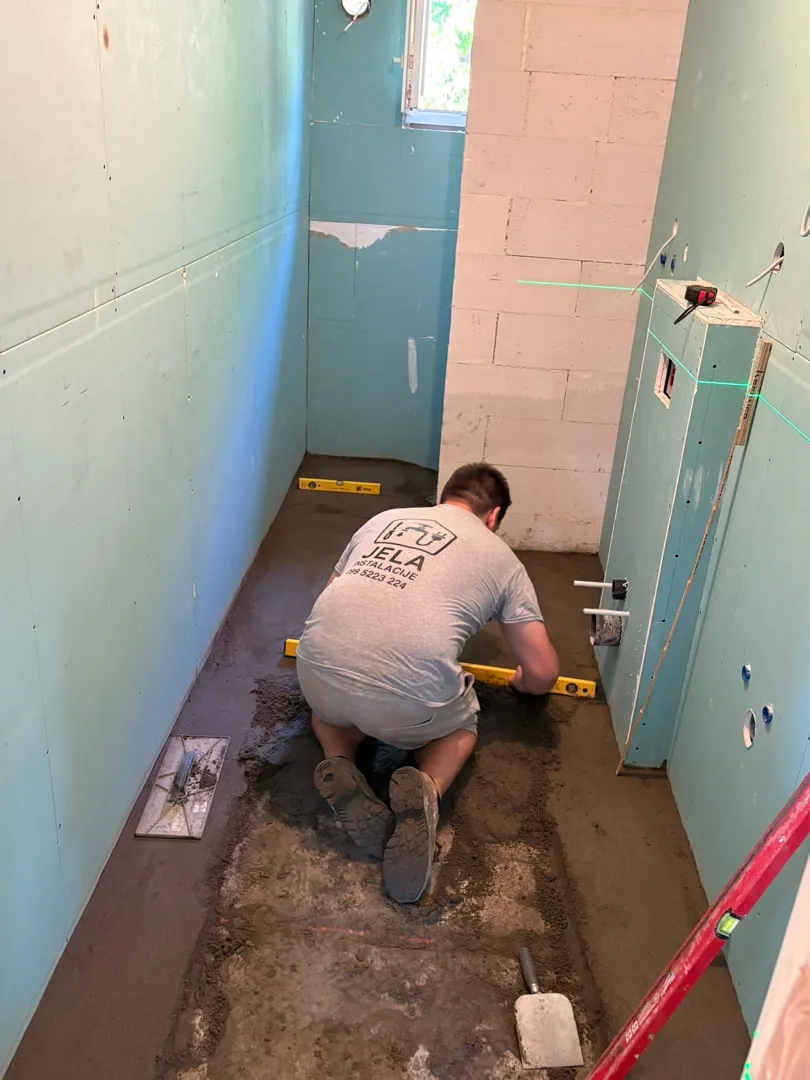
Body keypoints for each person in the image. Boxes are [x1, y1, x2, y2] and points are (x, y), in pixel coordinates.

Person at [296, 463, 559, 904]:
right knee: (460, 727)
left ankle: (339, 759)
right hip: (407, 704)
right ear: (493, 516)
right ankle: (427, 790)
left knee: (329, 710)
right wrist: (525, 682)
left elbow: (331, 594)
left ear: (443, 499)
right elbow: (544, 673)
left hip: (316, 668)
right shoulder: (502, 559)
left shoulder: (383, 520)